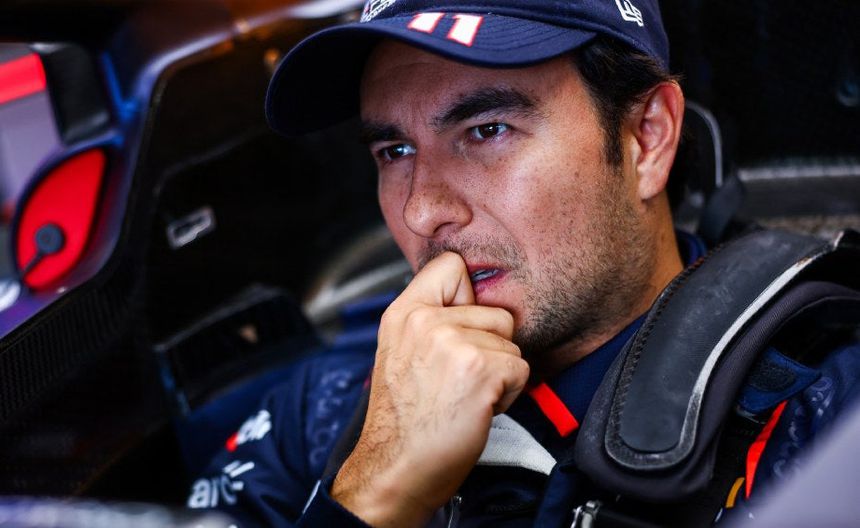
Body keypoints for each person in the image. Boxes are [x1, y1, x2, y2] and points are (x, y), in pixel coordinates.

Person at [187, 1, 860, 526]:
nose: (422, 211)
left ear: (646, 138)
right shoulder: (325, 410)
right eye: (395, 151)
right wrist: (373, 493)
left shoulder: (826, 416)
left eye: (486, 131)